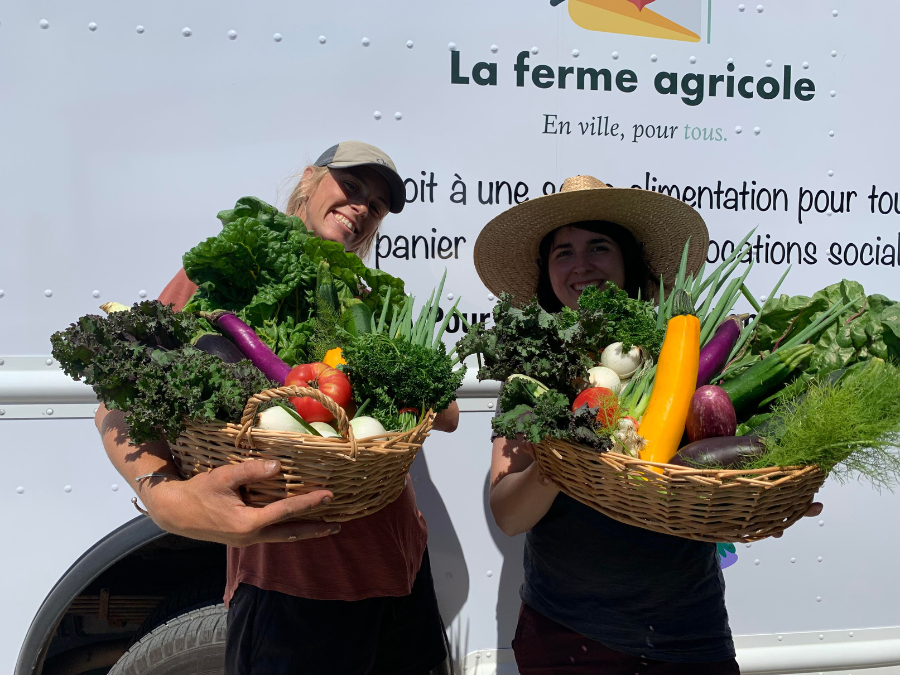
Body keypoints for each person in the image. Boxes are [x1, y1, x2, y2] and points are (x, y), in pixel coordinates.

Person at [95, 141, 456, 675]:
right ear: (309, 181)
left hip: (400, 567)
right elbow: (117, 397)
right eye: (351, 188)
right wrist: (165, 497)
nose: (361, 208)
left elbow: (444, 415)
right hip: (294, 585)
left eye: (376, 206)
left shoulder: (364, 295)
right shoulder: (224, 271)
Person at [473, 175, 823, 674]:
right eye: (563, 253)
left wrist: (769, 493)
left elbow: (722, 461)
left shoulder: (683, 353)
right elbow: (509, 515)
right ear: (546, 273)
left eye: (599, 246)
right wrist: (558, 462)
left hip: (688, 631)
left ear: (628, 262)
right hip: (567, 634)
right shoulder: (533, 375)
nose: (582, 265)